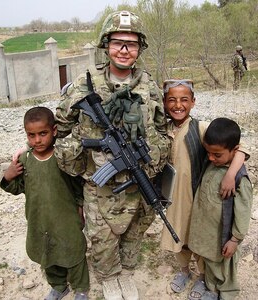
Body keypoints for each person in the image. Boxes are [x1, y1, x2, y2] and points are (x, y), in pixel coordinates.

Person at [55, 10, 170, 300]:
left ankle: (126, 274)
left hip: (137, 180)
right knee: (101, 239)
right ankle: (108, 277)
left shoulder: (150, 86)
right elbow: (60, 126)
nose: (124, 49)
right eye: (118, 42)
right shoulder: (85, 83)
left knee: (133, 234)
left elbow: (163, 127)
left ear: (139, 48)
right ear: (106, 44)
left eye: (131, 44)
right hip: (98, 182)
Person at [160, 79, 249, 300]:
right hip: (172, 199)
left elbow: (240, 148)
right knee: (178, 237)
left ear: (193, 102)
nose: (178, 105)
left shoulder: (200, 128)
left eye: (184, 100)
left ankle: (202, 276)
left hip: (196, 198)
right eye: (172, 100)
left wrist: (230, 174)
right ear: (164, 103)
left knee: (199, 239)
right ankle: (184, 271)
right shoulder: (161, 129)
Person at [0, 107, 89, 300]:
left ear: (54, 131)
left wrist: (80, 209)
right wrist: (8, 176)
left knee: (73, 253)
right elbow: (17, 188)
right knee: (46, 253)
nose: (37, 140)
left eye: (43, 133)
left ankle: (81, 289)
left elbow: (78, 186)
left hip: (66, 218)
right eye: (31, 135)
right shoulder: (25, 159)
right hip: (39, 220)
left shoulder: (62, 157)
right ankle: (58, 286)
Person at [188, 117, 253, 300]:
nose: (210, 157)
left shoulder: (240, 179)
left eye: (217, 155)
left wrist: (235, 239)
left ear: (235, 151)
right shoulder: (213, 161)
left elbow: (243, 212)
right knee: (211, 262)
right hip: (208, 233)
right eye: (208, 153)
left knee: (225, 268)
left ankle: (226, 294)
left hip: (223, 236)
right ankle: (212, 288)